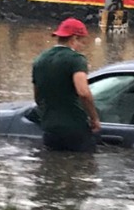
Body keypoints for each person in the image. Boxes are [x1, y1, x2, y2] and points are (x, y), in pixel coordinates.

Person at [32, 17, 101, 153]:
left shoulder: (39, 60)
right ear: (74, 39)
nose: (82, 47)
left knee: (51, 168)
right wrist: (94, 118)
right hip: (75, 128)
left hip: (50, 129)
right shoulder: (76, 60)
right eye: (82, 42)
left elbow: (37, 96)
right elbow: (83, 92)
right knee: (82, 169)